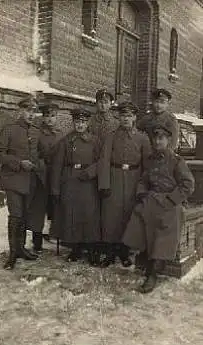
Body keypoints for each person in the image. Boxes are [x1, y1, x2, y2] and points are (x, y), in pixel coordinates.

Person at [122, 119, 195, 293]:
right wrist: (141, 192)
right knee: (138, 217)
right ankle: (141, 256)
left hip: (170, 203)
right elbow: (144, 180)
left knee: (165, 228)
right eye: (155, 138)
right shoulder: (150, 160)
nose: (157, 142)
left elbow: (188, 184)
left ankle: (154, 271)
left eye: (161, 138)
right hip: (151, 199)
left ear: (168, 140)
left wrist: (172, 200)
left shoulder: (177, 161)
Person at [0, 96, 46, 269]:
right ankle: (12, 254)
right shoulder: (9, 130)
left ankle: (21, 248)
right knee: (15, 215)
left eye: (34, 111)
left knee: (23, 215)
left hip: (29, 180)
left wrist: (38, 163)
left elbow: (39, 153)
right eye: (28, 110)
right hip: (13, 179)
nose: (31, 115)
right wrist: (18, 162)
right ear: (20, 111)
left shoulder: (36, 131)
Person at [98, 101, 151, 267]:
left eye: (129, 115)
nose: (126, 119)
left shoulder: (142, 138)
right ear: (118, 117)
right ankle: (110, 252)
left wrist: (143, 187)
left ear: (135, 117)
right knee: (110, 216)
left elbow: (147, 164)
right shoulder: (111, 136)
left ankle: (124, 251)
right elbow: (104, 160)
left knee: (128, 215)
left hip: (134, 179)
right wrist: (104, 184)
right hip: (114, 177)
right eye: (123, 115)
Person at [50, 108, 101, 264]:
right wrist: (55, 188)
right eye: (77, 122)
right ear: (73, 123)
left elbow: (102, 162)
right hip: (70, 181)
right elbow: (57, 166)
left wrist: (91, 172)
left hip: (88, 183)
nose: (80, 125)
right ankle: (76, 248)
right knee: (72, 215)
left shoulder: (95, 141)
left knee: (89, 215)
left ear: (87, 123)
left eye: (83, 122)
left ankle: (92, 249)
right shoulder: (65, 142)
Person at [27, 98, 62, 253]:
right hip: (40, 174)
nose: (50, 118)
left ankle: (54, 234)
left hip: (56, 174)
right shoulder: (36, 132)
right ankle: (37, 239)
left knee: (54, 204)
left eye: (53, 115)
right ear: (43, 116)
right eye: (47, 115)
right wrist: (40, 164)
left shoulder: (60, 134)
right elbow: (32, 152)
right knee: (38, 208)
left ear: (57, 117)